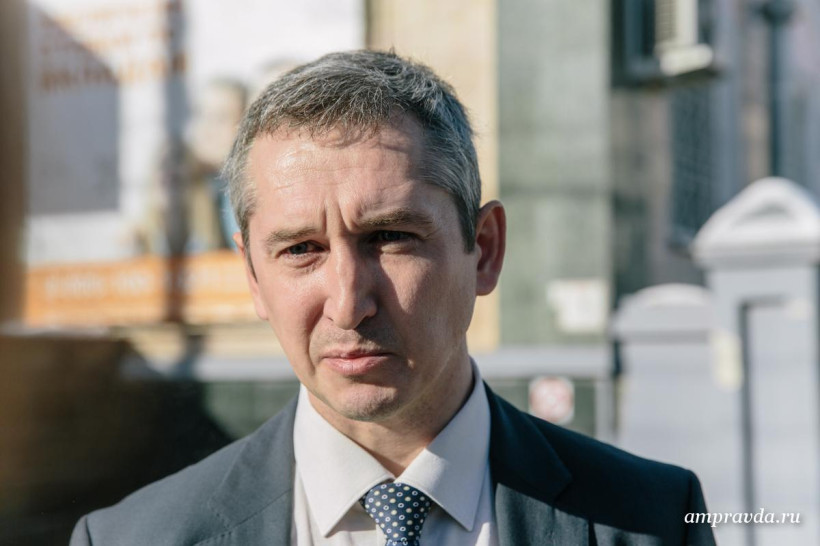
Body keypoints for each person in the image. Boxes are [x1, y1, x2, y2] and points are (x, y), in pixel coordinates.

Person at [70, 50, 715, 546]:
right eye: (301, 249)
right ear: (252, 277)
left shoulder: (652, 521)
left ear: (484, 249)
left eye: (389, 237)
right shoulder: (133, 538)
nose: (348, 303)